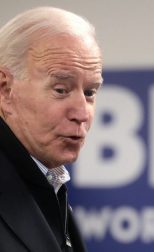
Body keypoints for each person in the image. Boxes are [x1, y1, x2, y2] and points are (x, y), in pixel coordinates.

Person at [0, 6, 103, 252]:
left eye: (89, 92)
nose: (81, 114)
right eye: (61, 90)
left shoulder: (50, 181)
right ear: (5, 90)